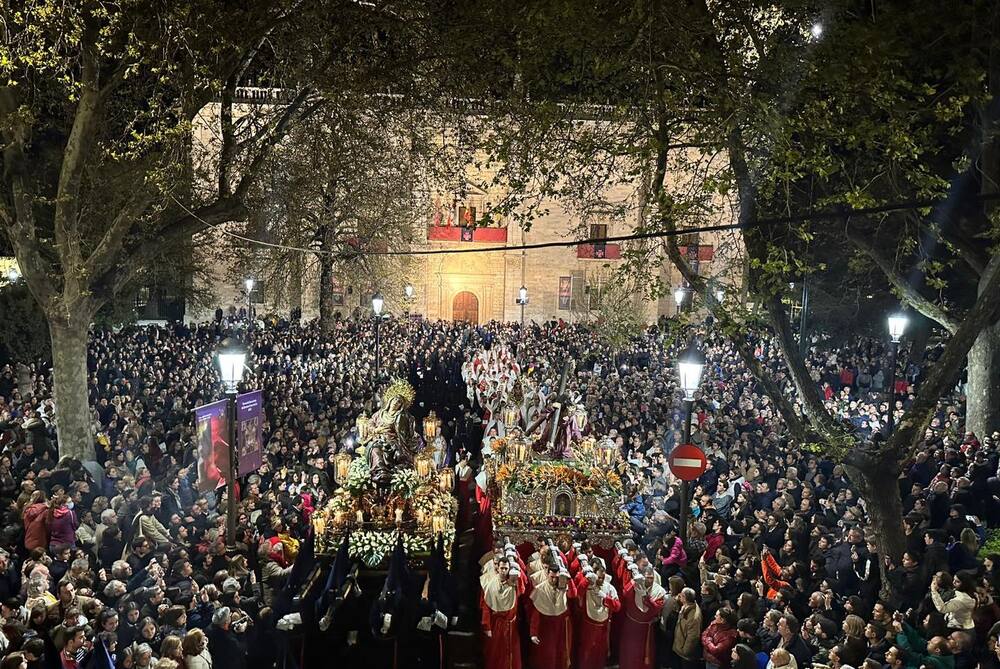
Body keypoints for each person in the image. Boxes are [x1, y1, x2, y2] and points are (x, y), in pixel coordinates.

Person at [480, 556, 526, 669]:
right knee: (496, 653)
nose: (504, 571)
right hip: (496, 625)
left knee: (511, 654)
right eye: (502, 568)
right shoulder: (490, 584)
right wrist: (487, 627)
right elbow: (486, 608)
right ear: (498, 568)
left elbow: (524, 586)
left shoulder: (514, 583)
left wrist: (518, 565)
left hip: (511, 626)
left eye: (506, 568)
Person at [527, 565, 575, 669]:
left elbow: (573, 595)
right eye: (551, 577)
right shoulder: (540, 589)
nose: (554, 580)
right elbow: (536, 613)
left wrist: (569, 580)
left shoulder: (563, 585)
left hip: (561, 625)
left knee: (561, 653)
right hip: (546, 628)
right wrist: (533, 633)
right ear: (547, 574)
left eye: (556, 577)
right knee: (548, 655)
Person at [575, 562, 620, 669]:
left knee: (600, 654)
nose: (601, 580)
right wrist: (586, 580)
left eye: (603, 577)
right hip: (588, 626)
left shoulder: (609, 588)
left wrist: (606, 598)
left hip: (603, 627)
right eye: (599, 577)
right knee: (587, 654)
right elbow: (578, 592)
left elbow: (617, 607)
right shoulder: (587, 585)